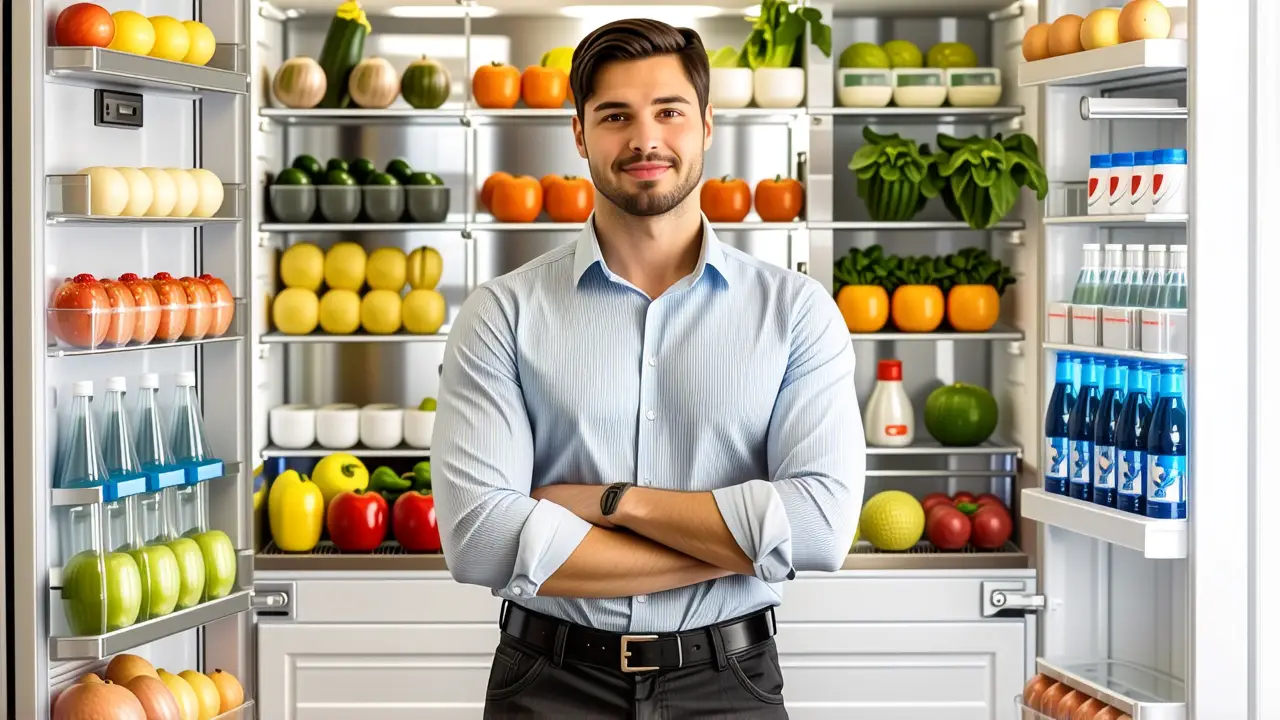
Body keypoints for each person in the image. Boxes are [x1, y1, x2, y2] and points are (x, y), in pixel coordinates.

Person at [433, 17, 865, 719]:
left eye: (669, 110)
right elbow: (480, 543)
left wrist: (614, 503)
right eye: (615, 115)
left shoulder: (796, 312)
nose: (645, 139)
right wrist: (751, 542)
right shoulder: (503, 313)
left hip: (730, 681)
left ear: (707, 123)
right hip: (549, 680)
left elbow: (818, 528)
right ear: (579, 133)